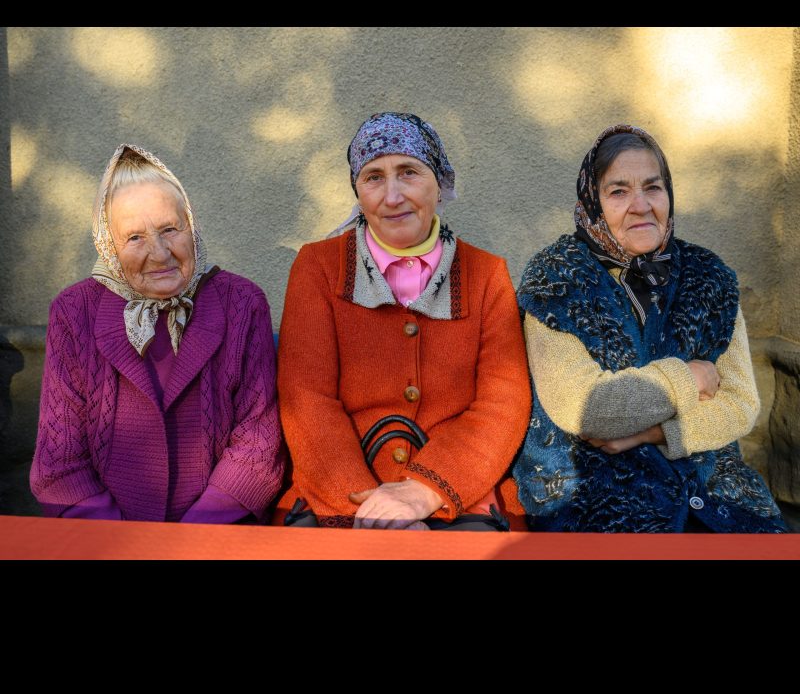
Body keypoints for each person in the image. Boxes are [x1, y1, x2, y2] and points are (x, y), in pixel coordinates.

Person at [513, 124, 786, 532]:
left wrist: (655, 433)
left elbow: (740, 404)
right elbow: (587, 408)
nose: (640, 205)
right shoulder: (556, 279)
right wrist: (689, 378)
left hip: (712, 482)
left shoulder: (708, 276)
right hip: (592, 489)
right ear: (592, 202)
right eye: (618, 191)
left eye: (653, 188)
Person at [274, 112, 531, 530]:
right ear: (357, 190)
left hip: (458, 494)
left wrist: (426, 491)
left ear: (439, 184)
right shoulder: (317, 267)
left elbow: (503, 404)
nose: (391, 196)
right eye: (373, 177)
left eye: (408, 172)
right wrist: (367, 504)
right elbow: (307, 399)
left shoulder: (487, 275)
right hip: (340, 494)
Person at [30, 144, 284, 523]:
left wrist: (186, 542)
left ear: (191, 226)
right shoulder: (73, 312)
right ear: (109, 246)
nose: (161, 253)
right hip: (106, 543)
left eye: (170, 229)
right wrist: (124, 546)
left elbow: (257, 446)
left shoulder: (243, 303)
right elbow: (60, 461)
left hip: (215, 538)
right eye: (135, 238)